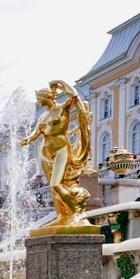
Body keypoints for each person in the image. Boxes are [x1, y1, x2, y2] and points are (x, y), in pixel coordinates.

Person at [21, 79, 93, 227]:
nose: (38, 102)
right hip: (46, 152)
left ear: (47, 97)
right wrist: (27, 139)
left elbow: (74, 96)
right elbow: (36, 132)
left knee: (56, 184)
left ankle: (74, 214)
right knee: (53, 188)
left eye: (39, 98)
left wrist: (59, 83)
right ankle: (61, 216)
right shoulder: (42, 116)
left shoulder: (62, 108)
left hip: (61, 149)